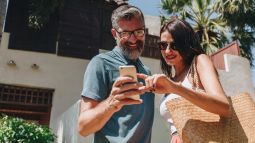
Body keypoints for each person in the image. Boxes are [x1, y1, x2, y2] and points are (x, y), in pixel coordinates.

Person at [139, 17, 230, 143]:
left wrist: (175, 88)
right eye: (163, 45)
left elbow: (224, 107)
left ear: (186, 44)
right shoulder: (172, 80)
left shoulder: (200, 61)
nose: (167, 51)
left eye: (174, 45)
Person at [78, 4, 155, 143]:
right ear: (114, 34)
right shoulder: (100, 64)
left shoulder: (146, 72)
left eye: (138, 32)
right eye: (125, 33)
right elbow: (83, 128)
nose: (133, 39)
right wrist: (111, 104)